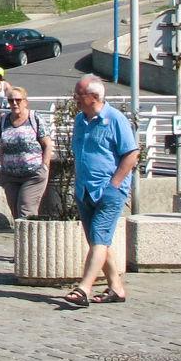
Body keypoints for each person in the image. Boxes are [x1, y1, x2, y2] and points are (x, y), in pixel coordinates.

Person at [60, 75, 137, 308]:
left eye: (78, 95)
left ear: (94, 97)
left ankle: (84, 288)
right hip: (85, 189)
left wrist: (113, 185)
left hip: (109, 191)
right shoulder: (80, 120)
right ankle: (116, 287)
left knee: (100, 238)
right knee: (98, 241)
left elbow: (131, 154)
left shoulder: (115, 119)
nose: (75, 99)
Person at [0, 88, 51, 219]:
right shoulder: (4, 120)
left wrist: (45, 166)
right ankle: (19, 239)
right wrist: (3, 168)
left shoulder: (34, 118)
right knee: (15, 212)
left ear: (25, 101)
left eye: (18, 100)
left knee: (26, 209)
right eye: (10, 100)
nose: (14, 103)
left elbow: (47, 144)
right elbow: (2, 146)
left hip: (33, 175)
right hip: (10, 176)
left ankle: (30, 239)